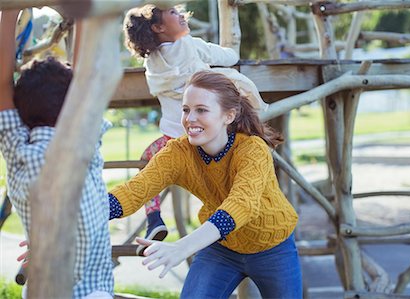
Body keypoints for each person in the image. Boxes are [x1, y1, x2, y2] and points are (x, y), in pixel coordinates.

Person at [109, 70, 302, 298]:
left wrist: (183, 247)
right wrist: (86, 211)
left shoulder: (252, 149)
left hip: (273, 246)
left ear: (228, 116)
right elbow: (134, 191)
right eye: (186, 109)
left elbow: (242, 204)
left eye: (201, 110)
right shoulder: (178, 152)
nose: (190, 119)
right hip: (222, 248)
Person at [123, 4, 268, 255]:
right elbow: (226, 57)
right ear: (158, 27)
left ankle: (154, 218)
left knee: (148, 161)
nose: (181, 14)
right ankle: (229, 222)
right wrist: (230, 54)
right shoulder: (190, 45)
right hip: (210, 135)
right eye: (173, 13)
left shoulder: (152, 64)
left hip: (175, 139)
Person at [0, 10, 114, 299]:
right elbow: (85, 76)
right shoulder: (82, 140)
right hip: (92, 293)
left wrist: (9, 13)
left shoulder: (18, 151)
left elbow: (2, 85)